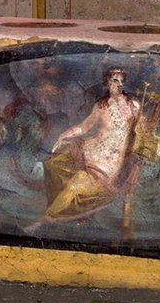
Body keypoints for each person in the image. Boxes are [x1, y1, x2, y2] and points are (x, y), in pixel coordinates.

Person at [36, 67, 143, 225]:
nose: (119, 84)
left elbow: (142, 130)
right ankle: (67, 214)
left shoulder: (134, 106)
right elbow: (84, 127)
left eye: (122, 81)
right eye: (115, 80)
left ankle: (46, 219)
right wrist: (63, 135)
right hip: (90, 149)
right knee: (52, 165)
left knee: (76, 184)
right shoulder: (100, 106)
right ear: (107, 82)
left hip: (109, 162)